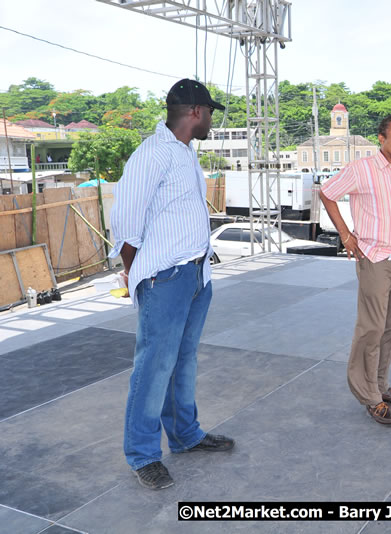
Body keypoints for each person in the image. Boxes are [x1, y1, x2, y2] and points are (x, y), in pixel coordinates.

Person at [110, 79, 233, 490]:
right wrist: (140, 275)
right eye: (211, 112)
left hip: (196, 274)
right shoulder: (152, 154)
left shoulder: (183, 152)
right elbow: (127, 226)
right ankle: (143, 454)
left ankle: (185, 435)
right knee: (154, 366)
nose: (212, 119)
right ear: (195, 111)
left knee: (183, 361)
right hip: (166, 278)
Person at [318, 114, 391, 425]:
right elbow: (327, 193)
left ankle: (381, 386)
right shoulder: (362, 170)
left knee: (390, 331)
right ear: (381, 139)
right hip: (375, 259)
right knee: (371, 330)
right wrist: (345, 233)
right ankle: (368, 396)